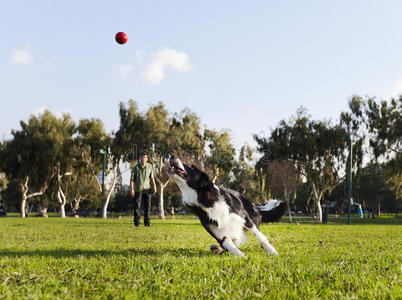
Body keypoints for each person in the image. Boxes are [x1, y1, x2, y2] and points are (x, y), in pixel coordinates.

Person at [130, 153, 157, 227]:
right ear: (140, 158)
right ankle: (137, 222)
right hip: (138, 189)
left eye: (145, 157)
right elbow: (132, 180)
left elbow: (152, 178)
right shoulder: (135, 168)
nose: (143, 159)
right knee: (137, 206)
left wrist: (154, 186)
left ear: (147, 159)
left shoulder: (150, 166)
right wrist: (131, 189)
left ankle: (147, 222)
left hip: (147, 188)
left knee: (147, 206)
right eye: (142, 157)